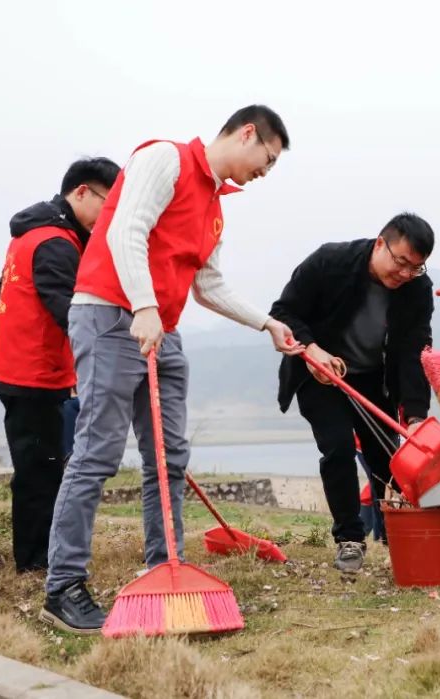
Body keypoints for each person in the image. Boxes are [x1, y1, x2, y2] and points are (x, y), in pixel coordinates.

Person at [41, 105, 302, 634]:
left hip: (161, 327)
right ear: (247, 133)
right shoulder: (166, 159)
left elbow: (208, 285)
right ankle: (63, 586)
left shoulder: (216, 207)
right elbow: (126, 231)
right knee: (97, 451)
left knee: (168, 456)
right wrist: (143, 306)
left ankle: (165, 567)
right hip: (111, 314)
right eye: (268, 159)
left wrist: (267, 323)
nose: (266, 171)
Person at [270, 214, 435, 573]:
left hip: (375, 378)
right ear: (380, 244)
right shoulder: (330, 262)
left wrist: (416, 416)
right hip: (321, 374)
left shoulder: (417, 289)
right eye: (400, 262)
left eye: (415, 267)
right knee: (338, 446)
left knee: (389, 458)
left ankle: (403, 537)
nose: (405, 273)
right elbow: (283, 312)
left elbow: (414, 350)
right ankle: (350, 539)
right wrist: (311, 349)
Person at [0, 157, 121, 573]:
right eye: (107, 204)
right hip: (34, 375)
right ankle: (35, 562)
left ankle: (41, 554)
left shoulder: (30, 234)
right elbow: (72, 314)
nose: (108, 217)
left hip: (18, 369)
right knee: (38, 472)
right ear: (81, 192)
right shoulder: (57, 244)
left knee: (42, 466)